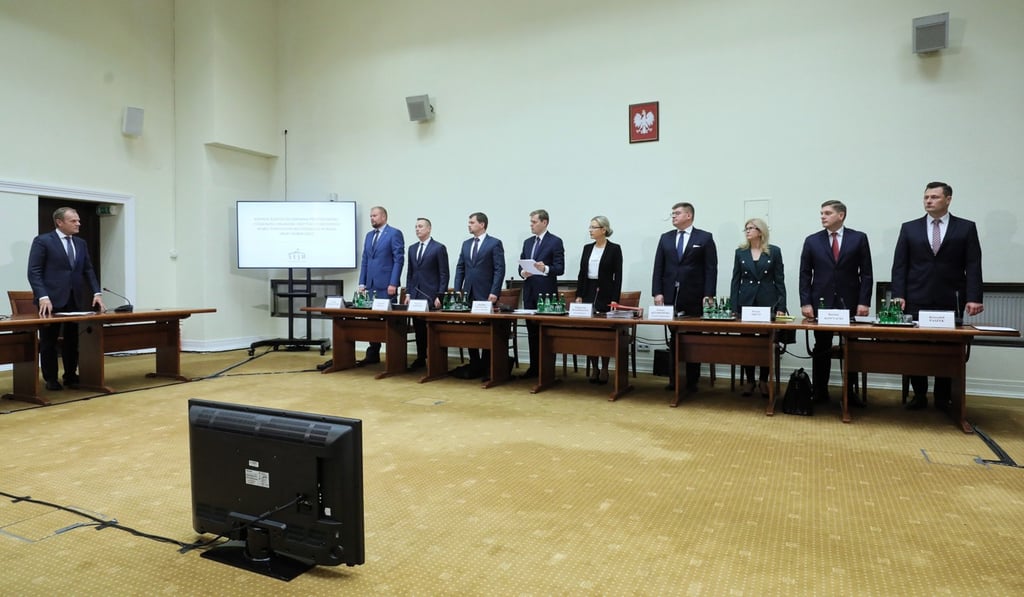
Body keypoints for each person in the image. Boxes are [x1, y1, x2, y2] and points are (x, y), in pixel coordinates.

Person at [891, 181, 984, 411]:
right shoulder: (909, 228)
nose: (928, 201)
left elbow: (973, 265)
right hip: (915, 297)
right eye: (926, 197)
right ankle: (919, 394)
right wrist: (898, 294)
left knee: (947, 350)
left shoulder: (965, 228)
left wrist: (974, 296)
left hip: (949, 298)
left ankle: (942, 396)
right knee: (916, 349)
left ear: (948, 199)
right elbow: (900, 265)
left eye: (934, 197)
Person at [798, 200, 873, 407]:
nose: (822, 216)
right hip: (820, 304)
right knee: (822, 347)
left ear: (841, 215)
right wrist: (805, 302)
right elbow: (805, 274)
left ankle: (850, 391)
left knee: (850, 347)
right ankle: (820, 391)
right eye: (821, 213)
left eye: (827, 213)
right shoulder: (812, 241)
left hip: (849, 302)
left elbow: (866, 273)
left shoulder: (858, 239)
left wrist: (864, 302)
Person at [27, 207, 106, 391]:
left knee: (73, 340)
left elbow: (88, 269)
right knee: (49, 341)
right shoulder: (43, 241)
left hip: (75, 299)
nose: (78, 223)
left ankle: (70, 375)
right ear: (59, 222)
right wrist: (43, 296)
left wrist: (96, 292)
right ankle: (51, 379)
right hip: (50, 301)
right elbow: (34, 272)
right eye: (73, 221)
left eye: (78, 220)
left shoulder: (80, 243)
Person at [652, 202, 718, 393]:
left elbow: (710, 269)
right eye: (673, 213)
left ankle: (692, 380)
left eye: (677, 213)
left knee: (693, 338)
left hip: (695, 295)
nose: (673, 216)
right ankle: (674, 378)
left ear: (689, 215)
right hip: (670, 295)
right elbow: (658, 268)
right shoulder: (666, 238)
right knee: (674, 338)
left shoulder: (704, 238)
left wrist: (708, 294)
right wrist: (657, 292)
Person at [730, 218, 787, 398]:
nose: (747, 231)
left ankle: (763, 380)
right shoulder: (740, 252)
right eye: (745, 228)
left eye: (751, 228)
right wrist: (733, 305)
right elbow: (735, 280)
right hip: (746, 301)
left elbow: (780, 280)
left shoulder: (774, 252)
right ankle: (750, 380)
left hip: (767, 301)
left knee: (765, 342)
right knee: (747, 342)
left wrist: (781, 306)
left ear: (760, 231)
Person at [452, 212, 506, 380]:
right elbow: (460, 267)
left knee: (486, 331)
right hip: (468, 293)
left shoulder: (494, 243)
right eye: (469, 222)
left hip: (486, 293)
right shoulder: (466, 244)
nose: (469, 225)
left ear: (482, 224)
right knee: (470, 330)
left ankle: (487, 366)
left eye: (472, 222)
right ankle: (474, 363)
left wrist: (494, 292)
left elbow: (499, 269)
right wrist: (457, 289)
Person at [518, 209, 565, 379]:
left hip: (546, 294)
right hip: (529, 291)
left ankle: (546, 368)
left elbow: (560, 268)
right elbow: (521, 264)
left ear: (544, 222)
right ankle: (533, 366)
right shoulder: (528, 242)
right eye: (530, 222)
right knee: (532, 331)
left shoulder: (555, 242)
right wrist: (523, 273)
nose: (531, 225)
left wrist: (544, 268)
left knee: (545, 332)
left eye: (534, 222)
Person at [576, 215, 622, 384]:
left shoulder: (614, 249)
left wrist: (615, 299)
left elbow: (618, 276)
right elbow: (582, 273)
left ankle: (604, 368)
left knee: (604, 333)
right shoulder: (587, 248)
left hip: (606, 292)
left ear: (603, 230)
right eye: (590, 227)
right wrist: (579, 295)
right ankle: (594, 368)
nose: (590, 230)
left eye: (593, 227)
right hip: (588, 290)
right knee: (590, 333)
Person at [356, 206, 404, 366]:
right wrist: (362, 282)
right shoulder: (369, 236)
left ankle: (394, 356)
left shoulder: (394, 233)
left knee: (388, 320)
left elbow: (399, 259)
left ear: (384, 216)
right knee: (371, 320)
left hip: (386, 285)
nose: (372, 218)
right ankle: (373, 354)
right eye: (370, 216)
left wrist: (394, 282)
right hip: (370, 284)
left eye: (374, 215)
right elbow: (365, 260)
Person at [404, 217, 449, 371]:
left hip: (431, 295)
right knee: (419, 328)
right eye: (416, 226)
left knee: (432, 328)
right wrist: (408, 293)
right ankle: (420, 357)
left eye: (421, 226)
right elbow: (410, 273)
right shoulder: (412, 248)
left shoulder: (438, 248)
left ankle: (435, 358)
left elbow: (444, 273)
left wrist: (440, 295)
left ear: (429, 229)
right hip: (416, 295)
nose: (417, 229)